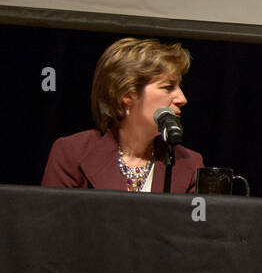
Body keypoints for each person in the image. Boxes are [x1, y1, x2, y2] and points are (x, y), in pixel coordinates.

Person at [41, 37, 203, 193]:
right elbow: (50, 219)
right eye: (168, 87)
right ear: (127, 95)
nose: (182, 99)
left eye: (179, 87)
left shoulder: (189, 164)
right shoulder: (72, 153)